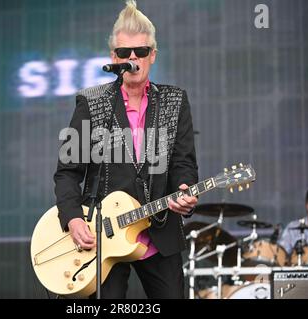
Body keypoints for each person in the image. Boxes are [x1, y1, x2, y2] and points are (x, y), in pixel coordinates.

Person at [53, 0, 198, 298]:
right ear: (113, 57)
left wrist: (185, 189)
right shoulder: (91, 102)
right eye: (123, 53)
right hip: (104, 237)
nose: (132, 58)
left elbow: (184, 163)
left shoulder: (175, 101)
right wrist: (73, 217)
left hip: (159, 231)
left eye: (141, 52)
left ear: (152, 55)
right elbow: (68, 172)